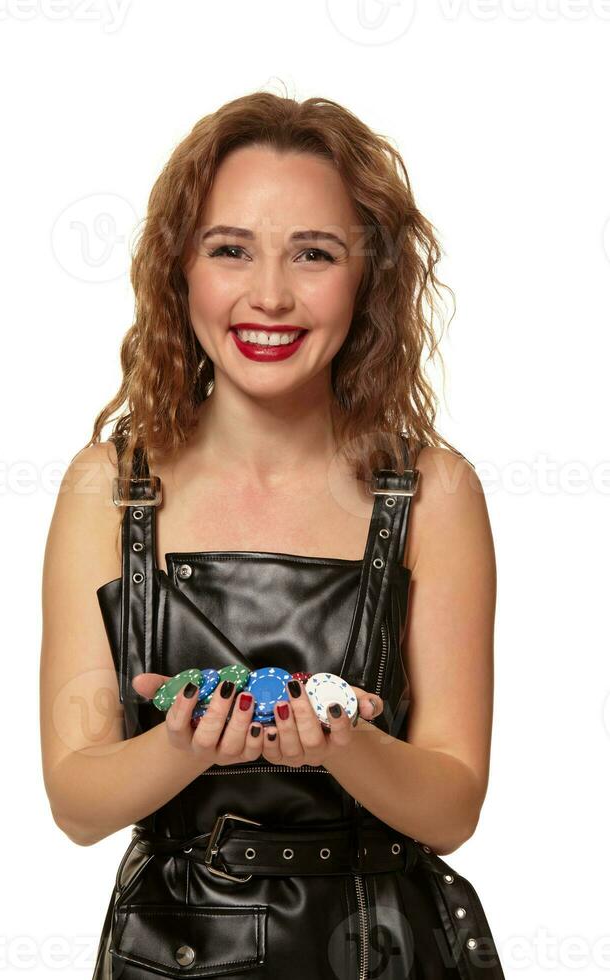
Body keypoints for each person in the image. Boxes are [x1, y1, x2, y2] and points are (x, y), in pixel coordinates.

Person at [40, 91, 503, 979]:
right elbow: (76, 800)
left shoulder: (436, 492)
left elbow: (452, 808)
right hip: (166, 953)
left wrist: (344, 744)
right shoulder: (106, 487)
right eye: (231, 250)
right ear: (180, 268)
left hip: (381, 949)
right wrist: (180, 742)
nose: (270, 296)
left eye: (314, 254)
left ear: (369, 276)